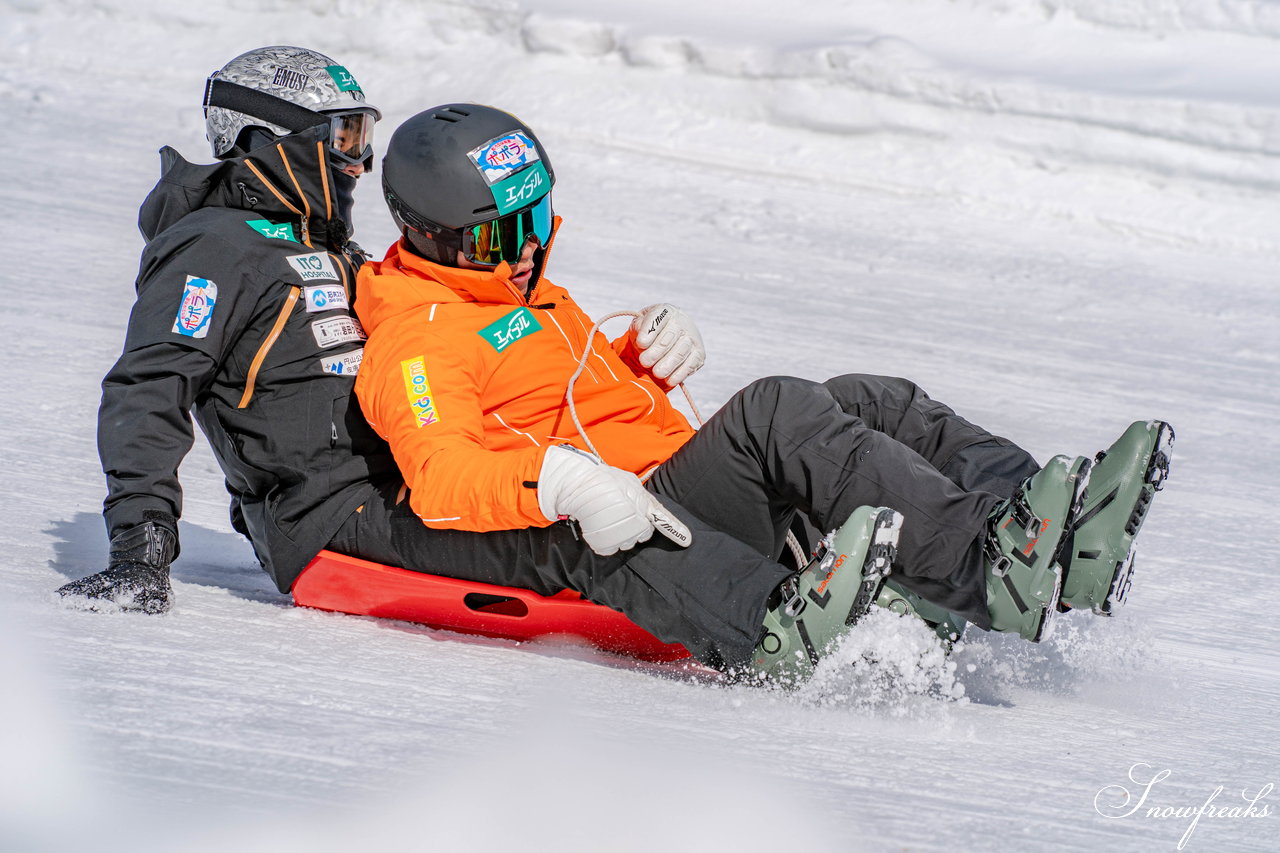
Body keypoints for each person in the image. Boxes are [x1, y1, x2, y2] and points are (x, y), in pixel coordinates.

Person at [347, 103, 1175, 683]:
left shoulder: (514, 293)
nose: (528, 250)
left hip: (670, 477)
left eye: (538, 220)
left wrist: (636, 353)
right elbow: (442, 477)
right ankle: (989, 563)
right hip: (642, 524)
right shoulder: (415, 343)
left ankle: (1046, 524)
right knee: (776, 410)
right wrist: (558, 481)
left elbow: (547, 390)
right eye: (503, 233)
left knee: (868, 398)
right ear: (432, 234)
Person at [57, 46, 398, 612]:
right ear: (265, 139)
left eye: (361, 137)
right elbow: (152, 383)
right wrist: (142, 544)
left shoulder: (328, 248)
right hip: (331, 518)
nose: (359, 162)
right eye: (342, 137)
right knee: (575, 547)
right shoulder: (214, 248)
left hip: (401, 488)